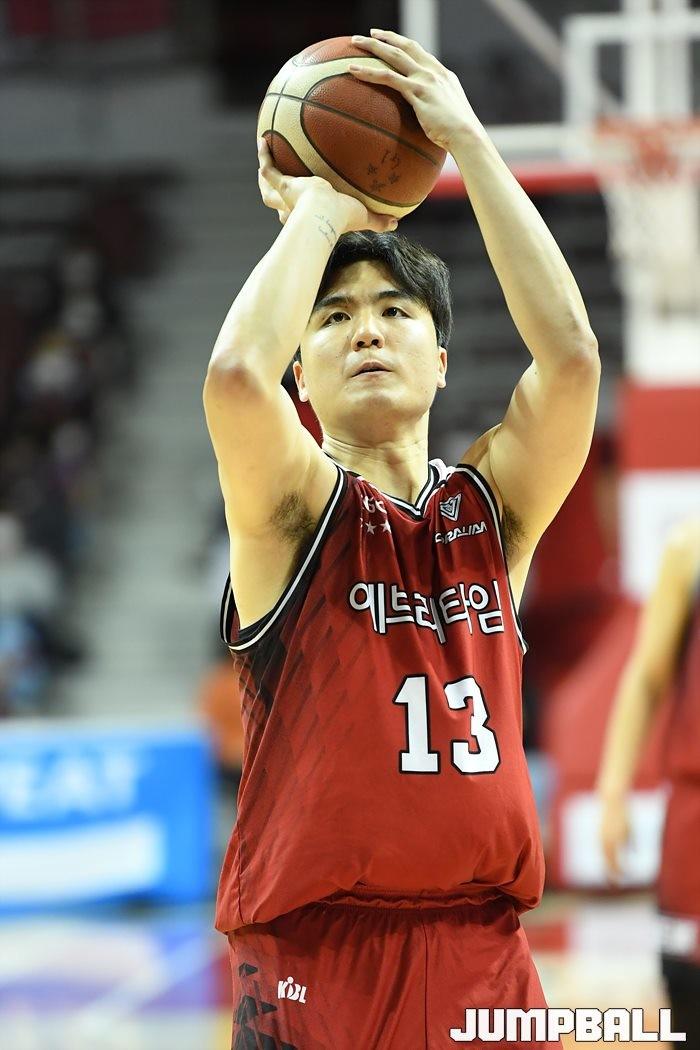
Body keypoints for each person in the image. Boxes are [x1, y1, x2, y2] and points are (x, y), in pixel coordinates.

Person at [203, 28, 599, 1050]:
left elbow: (570, 360)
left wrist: (468, 142)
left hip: (484, 955)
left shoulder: (491, 513)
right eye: (334, 318)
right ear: (302, 375)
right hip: (317, 960)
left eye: (394, 310)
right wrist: (323, 205)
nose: (368, 329)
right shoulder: (293, 508)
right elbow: (236, 376)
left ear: (441, 358)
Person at [598, 518, 700, 1045]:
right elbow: (646, 678)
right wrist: (612, 793)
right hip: (694, 828)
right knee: (689, 1005)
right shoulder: (690, 548)